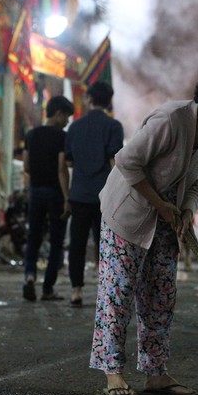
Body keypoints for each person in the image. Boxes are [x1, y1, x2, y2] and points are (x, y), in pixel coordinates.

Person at [90, 67, 198, 395]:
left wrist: (188, 210)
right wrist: (162, 206)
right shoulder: (169, 119)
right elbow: (126, 162)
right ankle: (113, 372)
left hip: (166, 223)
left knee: (160, 298)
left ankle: (156, 374)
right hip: (128, 216)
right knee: (117, 294)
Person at [64, 82, 124, 307]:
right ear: (109, 100)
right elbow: (115, 162)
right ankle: (105, 290)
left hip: (79, 193)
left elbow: (68, 160)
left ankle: (76, 290)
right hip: (104, 197)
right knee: (105, 246)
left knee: (77, 245)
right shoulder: (114, 126)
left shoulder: (75, 127)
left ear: (88, 98)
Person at [22, 96, 75, 302]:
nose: (67, 121)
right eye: (67, 117)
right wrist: (66, 198)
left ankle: (29, 276)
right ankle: (47, 288)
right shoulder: (62, 136)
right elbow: (62, 168)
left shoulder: (32, 134)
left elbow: (26, 166)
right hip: (55, 192)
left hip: (36, 191)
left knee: (33, 237)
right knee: (56, 241)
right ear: (59, 113)